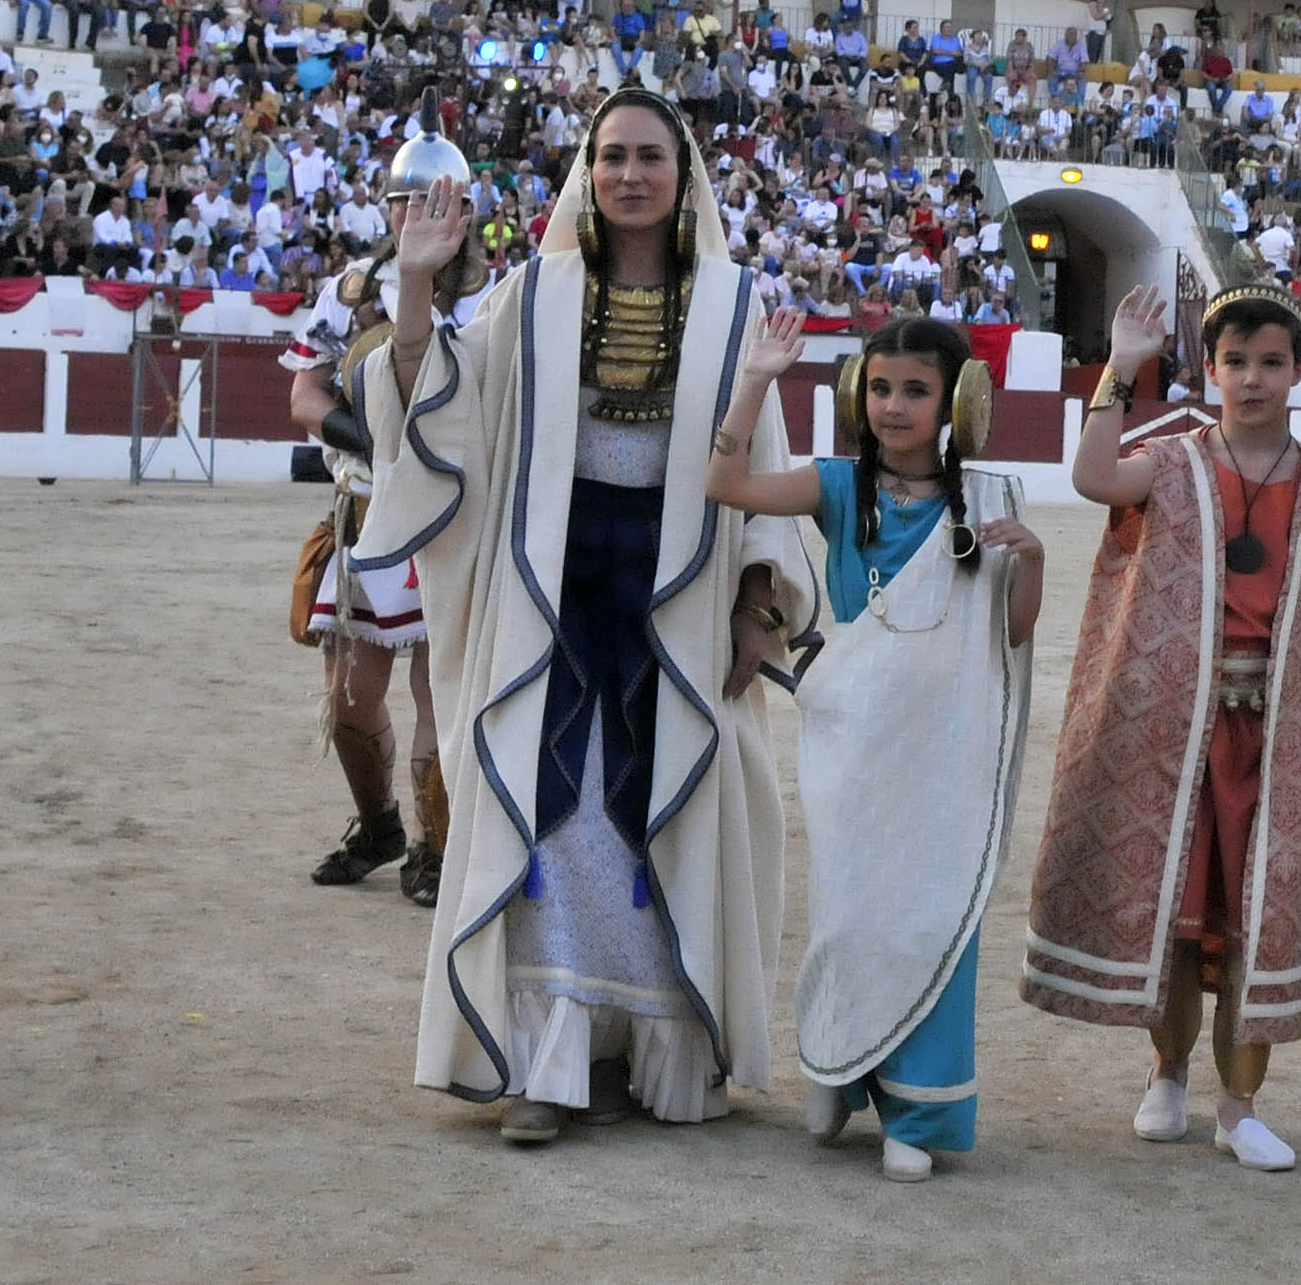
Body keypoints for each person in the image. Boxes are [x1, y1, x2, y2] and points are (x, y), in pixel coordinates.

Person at [353, 87, 819, 1143]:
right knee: (554, 810)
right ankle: (549, 1066)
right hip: (550, 591)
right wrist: (417, 281)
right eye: (610, 155)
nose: (628, 174)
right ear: (587, 170)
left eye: (649, 155)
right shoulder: (533, 294)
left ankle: (654, 1054)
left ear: (682, 170)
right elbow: (443, 417)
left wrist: (755, 600)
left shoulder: (737, 302)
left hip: (681, 598)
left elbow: (767, 454)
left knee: (666, 814)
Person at [1023, 282, 1301, 1173]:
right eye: (1234, 363)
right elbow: (1093, 478)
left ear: (1299, 372)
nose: (1252, 380)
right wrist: (1121, 367)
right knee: (1179, 912)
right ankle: (1167, 1074)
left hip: (1280, 733)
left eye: (1269, 363)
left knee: (1257, 915)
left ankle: (1240, 1103)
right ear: (1208, 371)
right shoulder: (1172, 462)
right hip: (1174, 731)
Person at [704, 314, 1042, 1183]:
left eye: (916, 391)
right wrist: (756, 379)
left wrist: (1031, 564)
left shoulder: (994, 501)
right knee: (852, 917)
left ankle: (917, 1116)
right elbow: (724, 483)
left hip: (944, 755)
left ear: (957, 402)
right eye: (881, 387)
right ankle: (840, 1070)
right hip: (854, 745)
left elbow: (1009, 635)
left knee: (933, 917)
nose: (893, 407)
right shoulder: (836, 487)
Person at [281, 98, 485, 906]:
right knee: (351, 695)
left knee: (439, 690)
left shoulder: (493, 297)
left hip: (451, 515)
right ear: (387, 207)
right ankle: (380, 826)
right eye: (406, 202)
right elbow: (303, 392)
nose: (420, 216)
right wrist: (373, 438)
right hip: (364, 507)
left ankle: (435, 849)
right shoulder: (351, 287)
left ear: (465, 211)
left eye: (437, 203)